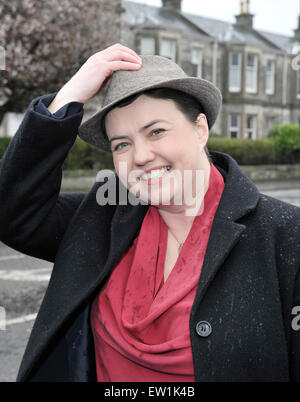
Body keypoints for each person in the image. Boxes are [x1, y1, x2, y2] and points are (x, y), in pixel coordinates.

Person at [0, 43, 299, 382]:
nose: (140, 156)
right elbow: (13, 212)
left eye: (156, 131)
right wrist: (68, 97)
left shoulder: (285, 235)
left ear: (201, 129)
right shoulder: (102, 214)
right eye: (121, 144)